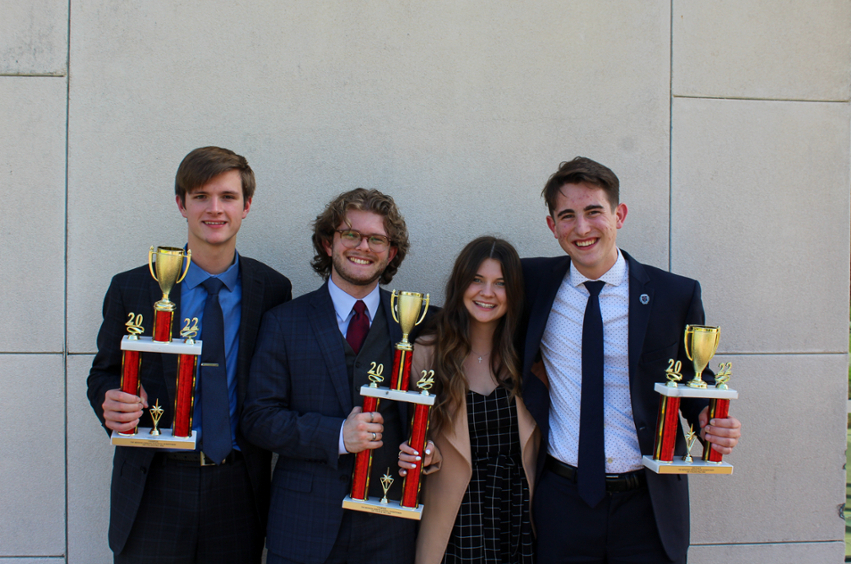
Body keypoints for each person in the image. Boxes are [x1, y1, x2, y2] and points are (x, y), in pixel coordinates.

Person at [521, 157, 742, 564]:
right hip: (562, 501)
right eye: (567, 216)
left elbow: (695, 381)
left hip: (648, 503)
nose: (582, 228)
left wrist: (711, 418)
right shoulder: (531, 283)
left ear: (618, 215)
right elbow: (472, 307)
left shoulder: (674, 295)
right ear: (552, 226)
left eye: (594, 212)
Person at [86, 146, 292, 564]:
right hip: (154, 485)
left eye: (228, 197)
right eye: (200, 196)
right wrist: (110, 400)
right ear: (181, 204)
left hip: (238, 488)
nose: (214, 209)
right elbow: (103, 373)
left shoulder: (272, 290)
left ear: (247, 206)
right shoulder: (132, 288)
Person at [241, 188, 417, 564]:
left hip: (390, 531)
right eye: (350, 234)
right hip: (303, 528)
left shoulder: (418, 325)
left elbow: (435, 416)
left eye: (377, 239)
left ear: (392, 253)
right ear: (327, 243)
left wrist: (430, 451)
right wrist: (337, 435)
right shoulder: (283, 321)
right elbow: (258, 419)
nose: (362, 246)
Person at [397, 236, 538, 564]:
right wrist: (423, 453)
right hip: (456, 519)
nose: (487, 293)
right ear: (461, 284)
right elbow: (410, 434)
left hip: (517, 516)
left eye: (500, 283)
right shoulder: (427, 352)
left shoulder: (529, 356)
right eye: (477, 280)